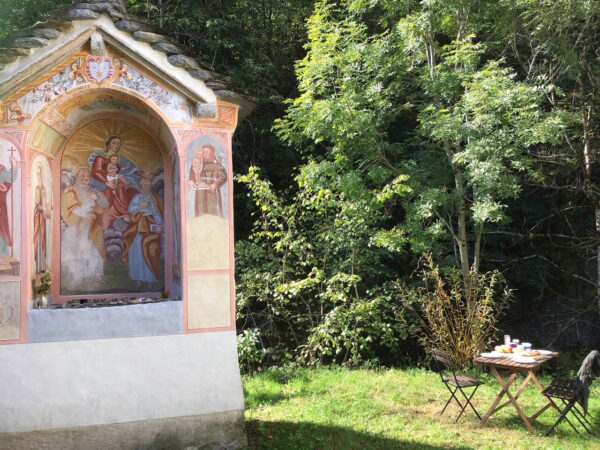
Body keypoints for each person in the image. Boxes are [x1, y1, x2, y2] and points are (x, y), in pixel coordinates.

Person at [61, 167, 109, 290]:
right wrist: (86, 214)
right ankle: (80, 277)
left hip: (93, 226)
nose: (85, 179)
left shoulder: (94, 190)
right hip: (77, 226)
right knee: (79, 251)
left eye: (87, 177)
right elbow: (72, 208)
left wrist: (96, 198)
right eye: (83, 176)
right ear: (77, 178)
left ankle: (97, 275)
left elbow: (105, 204)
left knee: (95, 251)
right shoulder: (71, 191)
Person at [122, 177, 163, 288]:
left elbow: (157, 212)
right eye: (143, 185)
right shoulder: (137, 197)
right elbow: (130, 209)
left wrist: (160, 225)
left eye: (147, 185)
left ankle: (150, 278)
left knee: (151, 251)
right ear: (140, 187)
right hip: (138, 226)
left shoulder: (155, 198)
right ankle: (138, 278)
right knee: (137, 251)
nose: (145, 187)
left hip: (151, 226)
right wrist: (141, 206)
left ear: (151, 186)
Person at [188, 144, 227, 217]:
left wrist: (215, 184)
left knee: (212, 210)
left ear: (212, 153)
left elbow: (223, 177)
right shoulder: (199, 163)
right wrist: (191, 180)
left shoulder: (217, 165)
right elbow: (192, 173)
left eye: (207, 152)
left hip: (212, 192)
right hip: (200, 191)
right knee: (200, 210)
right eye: (203, 152)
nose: (204, 154)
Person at [33, 165, 51, 274]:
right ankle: (38, 267)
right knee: (38, 241)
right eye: (37, 174)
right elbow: (36, 205)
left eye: (40, 174)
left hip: (42, 220)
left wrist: (47, 209)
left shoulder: (43, 188)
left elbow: (44, 204)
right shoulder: (37, 188)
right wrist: (43, 209)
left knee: (43, 242)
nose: (39, 176)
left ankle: (42, 266)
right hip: (37, 220)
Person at [0, 154, 18, 257]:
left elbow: (11, 177)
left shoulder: (1, 169)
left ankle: (2, 255)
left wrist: (14, 166)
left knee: (1, 227)